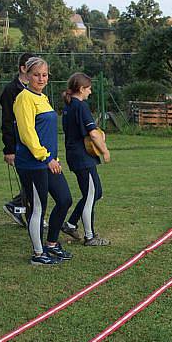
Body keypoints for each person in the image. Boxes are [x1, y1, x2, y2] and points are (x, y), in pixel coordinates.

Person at [13, 57, 73, 266]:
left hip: (48, 161)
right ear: (27, 75)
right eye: (36, 74)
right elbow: (27, 134)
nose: (40, 78)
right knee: (38, 208)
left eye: (44, 75)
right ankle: (38, 255)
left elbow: (46, 132)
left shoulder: (43, 98)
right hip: (33, 163)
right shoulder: (24, 99)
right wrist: (46, 157)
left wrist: (53, 158)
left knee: (65, 199)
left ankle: (52, 243)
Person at [60, 73, 111, 246]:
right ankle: (90, 237)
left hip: (75, 155)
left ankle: (70, 223)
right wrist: (105, 151)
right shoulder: (81, 106)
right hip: (82, 157)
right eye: (88, 88)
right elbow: (93, 134)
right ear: (81, 89)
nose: (90, 91)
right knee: (90, 195)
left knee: (96, 192)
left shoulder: (69, 106)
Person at [0, 52, 35, 226]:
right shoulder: (10, 91)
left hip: (34, 143)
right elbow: (7, 121)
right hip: (19, 144)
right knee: (31, 180)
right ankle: (20, 209)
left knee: (35, 180)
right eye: (32, 69)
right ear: (23, 69)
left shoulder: (34, 90)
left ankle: (25, 211)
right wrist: (9, 150)